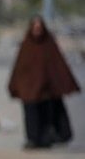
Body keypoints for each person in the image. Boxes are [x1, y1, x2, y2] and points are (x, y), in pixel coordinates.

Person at [8, 15, 80, 149]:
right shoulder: (26, 46)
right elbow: (19, 69)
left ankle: (45, 139)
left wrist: (60, 85)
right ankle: (32, 139)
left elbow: (59, 67)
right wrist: (16, 86)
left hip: (45, 91)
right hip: (29, 91)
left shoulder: (49, 45)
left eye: (39, 27)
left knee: (47, 115)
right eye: (34, 27)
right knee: (31, 115)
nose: (37, 30)